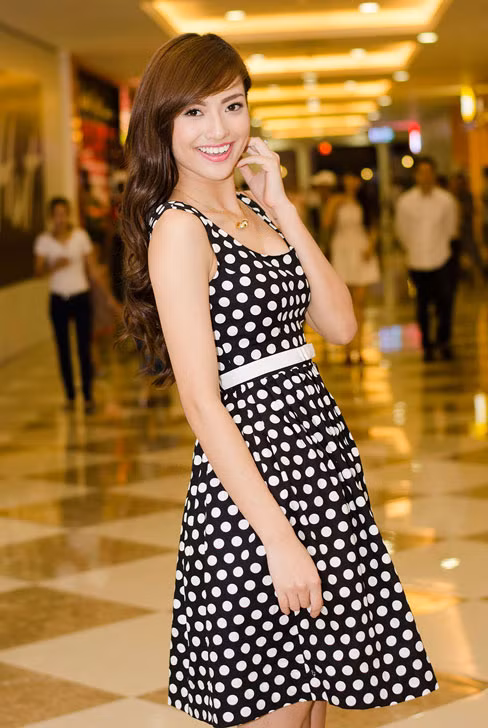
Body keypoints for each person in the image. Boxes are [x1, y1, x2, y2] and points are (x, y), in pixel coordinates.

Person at [122, 33, 438, 728]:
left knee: (315, 705)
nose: (218, 129)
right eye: (195, 112)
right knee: (277, 703)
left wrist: (284, 207)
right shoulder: (180, 229)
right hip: (254, 495)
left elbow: (341, 324)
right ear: (163, 123)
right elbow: (202, 402)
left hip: (319, 471)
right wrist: (279, 539)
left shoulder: (260, 212)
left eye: (231, 106)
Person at [34, 197, 96, 413]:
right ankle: (70, 395)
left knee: (84, 348)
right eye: (56, 215)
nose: (60, 219)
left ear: (68, 214)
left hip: (80, 296)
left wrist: (107, 298)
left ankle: (88, 395)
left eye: (63, 214)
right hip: (58, 299)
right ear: (51, 217)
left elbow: (92, 269)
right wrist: (54, 265)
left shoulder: (80, 237)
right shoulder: (44, 241)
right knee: (63, 349)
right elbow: (38, 271)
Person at [395, 157, 458, 361]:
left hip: (442, 258)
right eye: (422, 173)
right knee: (422, 305)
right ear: (416, 176)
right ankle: (427, 345)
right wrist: (412, 249)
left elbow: (451, 229)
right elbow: (402, 231)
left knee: (445, 302)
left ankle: (444, 341)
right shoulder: (405, 202)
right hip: (417, 260)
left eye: (429, 172)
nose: (426, 177)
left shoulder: (446, 200)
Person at [325, 172, 381, 365]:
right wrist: (335, 204)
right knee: (345, 303)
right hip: (342, 250)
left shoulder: (365, 201)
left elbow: (373, 226)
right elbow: (326, 223)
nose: (351, 182)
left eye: (354, 179)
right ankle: (348, 350)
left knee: (360, 303)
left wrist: (371, 246)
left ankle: (360, 348)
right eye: (348, 179)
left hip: (360, 248)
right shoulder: (336, 200)